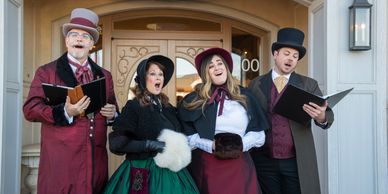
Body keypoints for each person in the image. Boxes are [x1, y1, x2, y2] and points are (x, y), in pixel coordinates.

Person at [23, 8, 118, 194]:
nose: (79, 39)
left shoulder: (105, 76)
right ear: (67, 40)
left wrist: (113, 114)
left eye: (85, 36)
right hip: (61, 165)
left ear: (92, 43)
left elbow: (114, 109)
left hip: (95, 163)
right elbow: (30, 109)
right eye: (74, 34)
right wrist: (64, 112)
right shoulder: (46, 72)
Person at [248, 27, 335, 194]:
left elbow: (327, 115)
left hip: (297, 161)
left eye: (295, 56)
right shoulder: (256, 84)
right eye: (286, 53)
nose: (291, 59)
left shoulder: (309, 84)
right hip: (263, 159)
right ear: (275, 54)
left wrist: (321, 116)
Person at [178, 47, 269, 194]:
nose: (216, 68)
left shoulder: (246, 96)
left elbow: (259, 134)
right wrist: (211, 145)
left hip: (240, 165)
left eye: (219, 63)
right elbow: (187, 136)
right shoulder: (194, 100)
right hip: (209, 166)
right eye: (211, 66)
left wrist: (239, 146)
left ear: (226, 67)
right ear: (205, 73)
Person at [103, 55, 199, 194]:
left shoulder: (168, 108)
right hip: (142, 171)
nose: (158, 77)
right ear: (143, 78)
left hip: (172, 175)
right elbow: (116, 143)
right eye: (153, 74)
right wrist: (149, 144)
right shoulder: (134, 106)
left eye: (161, 74)